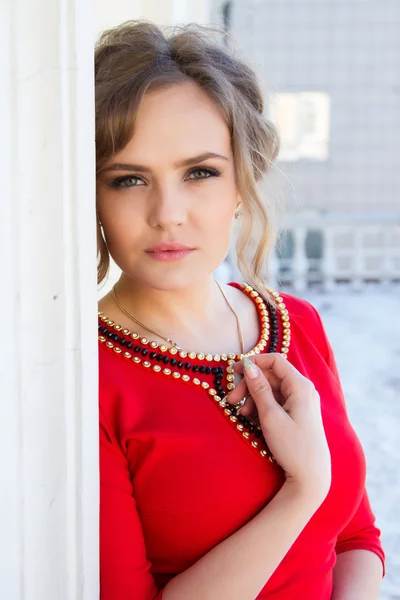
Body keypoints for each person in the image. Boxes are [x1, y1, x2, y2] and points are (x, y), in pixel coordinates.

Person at [96, 21, 385, 600]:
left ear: (239, 183)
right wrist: (303, 489)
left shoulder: (296, 324)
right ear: (90, 195)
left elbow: (356, 538)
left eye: (200, 172)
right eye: (129, 179)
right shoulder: (86, 378)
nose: (168, 213)